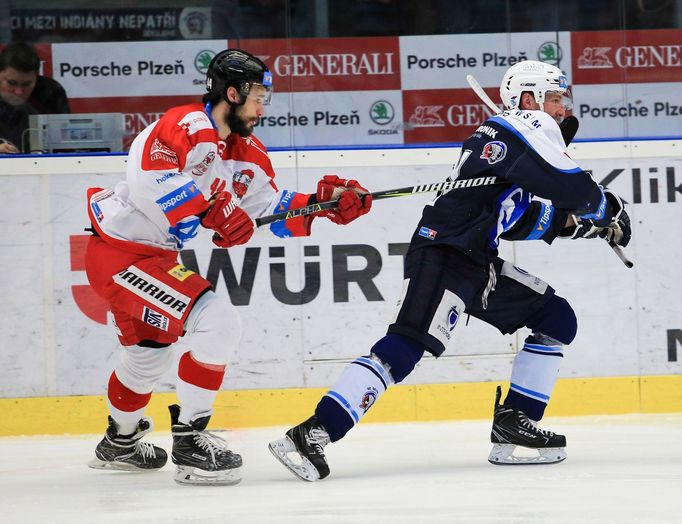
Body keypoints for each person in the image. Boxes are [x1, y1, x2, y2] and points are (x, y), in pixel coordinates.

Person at [268, 60, 632, 481]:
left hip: (476, 259)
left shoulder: (511, 140)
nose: (563, 110)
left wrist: (584, 226)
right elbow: (576, 189)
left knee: (555, 318)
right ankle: (312, 432)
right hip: (447, 252)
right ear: (528, 99)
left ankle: (515, 421)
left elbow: (519, 215)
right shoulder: (522, 126)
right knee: (405, 347)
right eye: (554, 99)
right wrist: (608, 208)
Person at [83, 48, 372, 485]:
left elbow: (270, 207)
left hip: (151, 257)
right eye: (257, 96)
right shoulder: (186, 124)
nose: (262, 107)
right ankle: (191, 440)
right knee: (217, 320)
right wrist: (212, 209)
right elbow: (151, 176)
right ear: (231, 93)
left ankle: (118, 443)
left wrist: (322, 205)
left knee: (145, 356)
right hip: (122, 252)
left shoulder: (247, 153)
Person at [0, 42, 70, 153]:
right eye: (12, 83)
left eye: (26, 84)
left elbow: (64, 142)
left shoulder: (50, 92)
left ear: (36, 77)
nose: (18, 92)